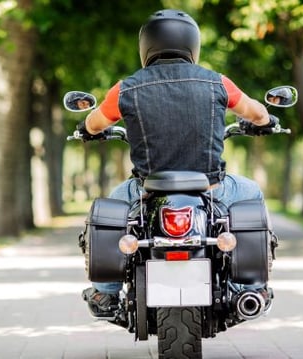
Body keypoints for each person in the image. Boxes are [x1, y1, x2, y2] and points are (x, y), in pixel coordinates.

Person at [77, 9, 279, 318]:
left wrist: (86, 130)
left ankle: (105, 293)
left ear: (146, 47)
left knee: (107, 210)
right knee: (251, 193)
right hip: (211, 188)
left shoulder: (126, 88)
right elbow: (256, 113)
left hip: (146, 190)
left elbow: (94, 123)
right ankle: (250, 288)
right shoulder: (217, 83)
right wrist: (266, 121)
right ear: (192, 45)